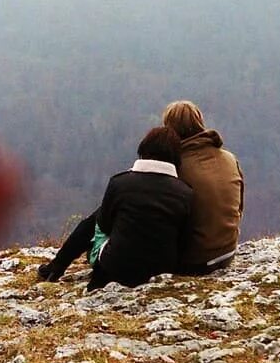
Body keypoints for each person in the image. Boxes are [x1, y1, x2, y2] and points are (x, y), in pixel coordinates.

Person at [38, 126, 192, 290]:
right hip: (162, 270)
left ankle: (56, 267)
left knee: (96, 218)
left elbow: (103, 226)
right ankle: (56, 266)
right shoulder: (185, 192)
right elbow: (183, 239)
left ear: (144, 150)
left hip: (115, 268)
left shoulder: (120, 183)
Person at [162, 100, 244, 275]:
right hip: (228, 251)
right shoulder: (229, 158)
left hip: (195, 261)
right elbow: (239, 207)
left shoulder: (175, 167)